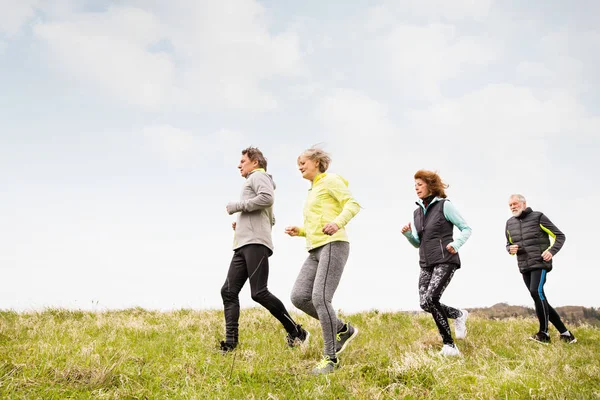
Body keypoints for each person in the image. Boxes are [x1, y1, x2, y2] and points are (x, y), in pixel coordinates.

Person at [220, 147, 309, 353]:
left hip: (255, 244)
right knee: (228, 291)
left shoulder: (258, 176)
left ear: (255, 163)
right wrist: (242, 223)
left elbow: (267, 199)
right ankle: (230, 343)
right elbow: (271, 218)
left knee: (259, 292)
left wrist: (237, 206)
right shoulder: (254, 180)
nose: (239, 165)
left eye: (243, 161)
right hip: (243, 243)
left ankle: (296, 331)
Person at [285, 146, 361, 375]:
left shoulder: (331, 181)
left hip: (334, 245)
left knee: (320, 297)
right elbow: (318, 224)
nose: (299, 166)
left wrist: (338, 223)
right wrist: (300, 231)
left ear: (317, 162)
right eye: (297, 163)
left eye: (303, 162)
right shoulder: (313, 190)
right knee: (299, 296)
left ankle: (330, 359)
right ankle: (341, 329)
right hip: (315, 248)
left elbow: (353, 204)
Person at [401, 170, 472, 357]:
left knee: (432, 298)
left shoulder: (444, 206)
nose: (416, 188)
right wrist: (409, 235)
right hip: (426, 262)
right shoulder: (417, 212)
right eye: (415, 185)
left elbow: (466, 228)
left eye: (420, 184)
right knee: (425, 303)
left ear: (430, 185)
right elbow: (418, 242)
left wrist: (455, 244)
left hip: (445, 259)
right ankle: (458, 314)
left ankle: (450, 346)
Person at [505, 194, 576, 344]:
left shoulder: (538, 217)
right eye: (510, 205)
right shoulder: (509, 223)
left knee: (536, 292)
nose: (512, 207)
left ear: (524, 204)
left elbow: (560, 236)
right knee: (539, 298)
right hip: (524, 265)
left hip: (540, 262)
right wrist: (510, 249)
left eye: (515, 204)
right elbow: (508, 244)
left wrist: (551, 251)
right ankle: (566, 334)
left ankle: (544, 334)